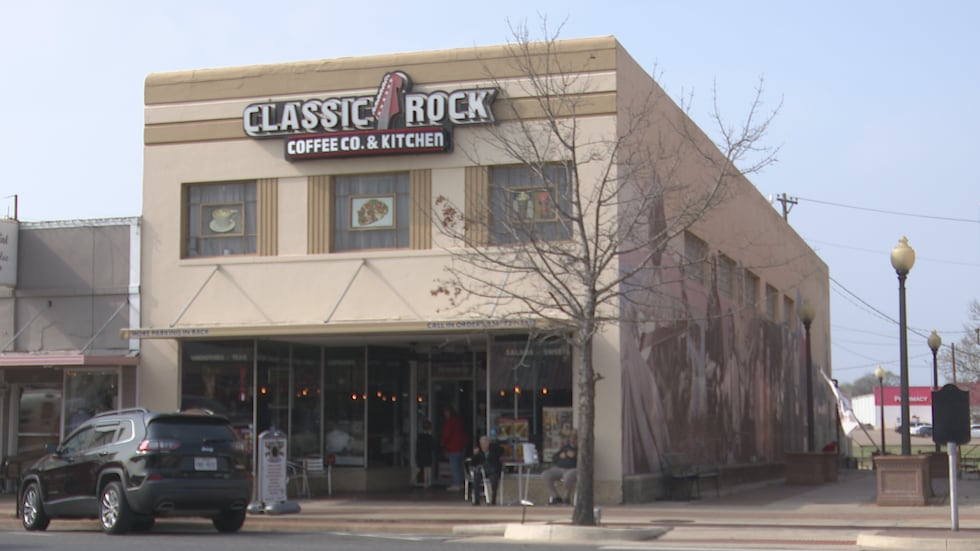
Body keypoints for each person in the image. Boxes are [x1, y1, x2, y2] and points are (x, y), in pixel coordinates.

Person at [542, 430, 577, 505]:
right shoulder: (565, 447)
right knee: (546, 474)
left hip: (573, 469)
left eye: (575, 438)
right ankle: (555, 497)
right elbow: (554, 457)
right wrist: (560, 456)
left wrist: (575, 456)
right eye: (571, 438)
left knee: (568, 475)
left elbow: (584, 461)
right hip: (559, 468)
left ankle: (566, 497)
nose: (573, 440)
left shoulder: (582, 448)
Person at [468, 435, 503, 505]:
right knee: (476, 478)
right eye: (481, 444)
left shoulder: (494, 450)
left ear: (488, 443)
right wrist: (474, 455)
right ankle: (476, 500)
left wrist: (491, 447)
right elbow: (472, 463)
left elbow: (501, 451)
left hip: (492, 470)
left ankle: (493, 500)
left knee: (494, 480)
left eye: (484, 444)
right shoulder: (479, 452)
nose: (483, 446)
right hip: (482, 470)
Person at [440, 405, 466, 491]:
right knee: (460, 466)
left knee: (455, 466)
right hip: (462, 446)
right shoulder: (459, 421)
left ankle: (456, 483)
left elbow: (447, 434)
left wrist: (442, 443)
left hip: (453, 447)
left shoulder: (449, 422)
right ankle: (462, 483)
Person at [415, 420, 435, 487]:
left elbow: (417, 446)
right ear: (430, 428)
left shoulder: (419, 436)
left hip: (420, 454)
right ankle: (425, 483)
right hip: (427, 454)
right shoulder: (429, 437)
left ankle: (411, 480)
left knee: (418, 468)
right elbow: (432, 447)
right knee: (426, 469)